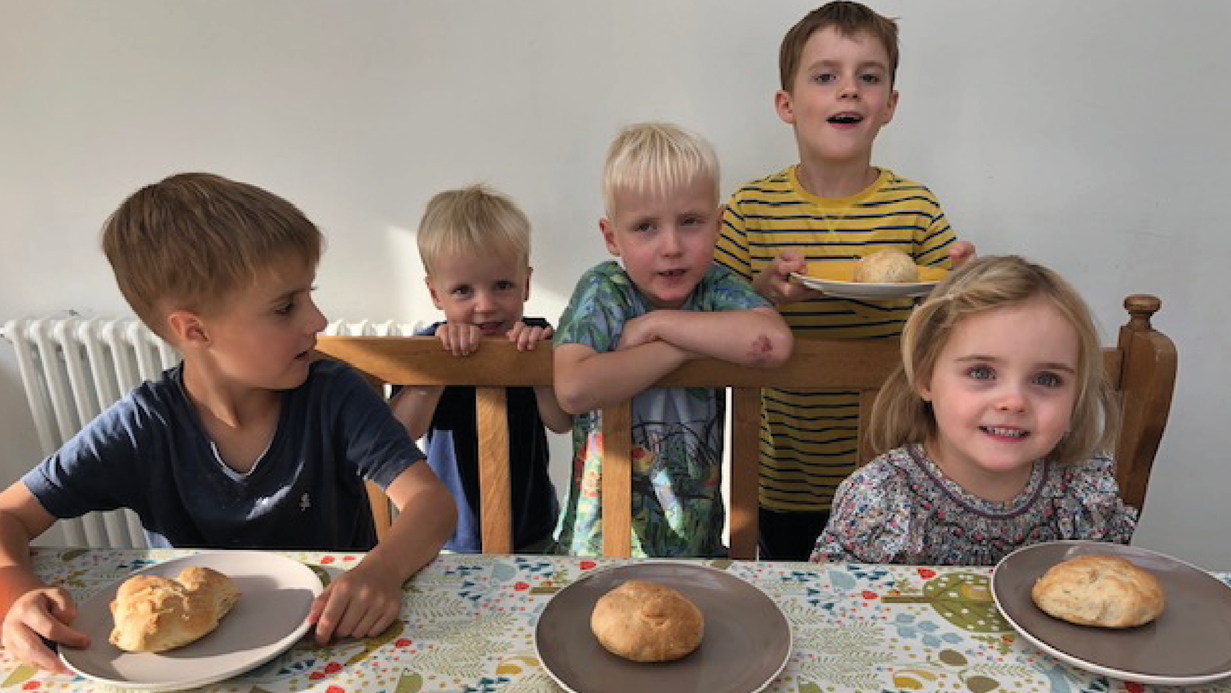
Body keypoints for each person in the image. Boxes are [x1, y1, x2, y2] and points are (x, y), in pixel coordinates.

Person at [0, 173, 456, 672]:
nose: (317, 320)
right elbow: (9, 515)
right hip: (188, 671)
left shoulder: (334, 395)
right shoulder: (142, 428)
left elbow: (430, 504)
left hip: (333, 649)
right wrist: (16, 595)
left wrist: (382, 571)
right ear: (194, 330)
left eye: (308, 295)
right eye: (286, 307)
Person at [714, 1, 976, 560]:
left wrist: (959, 281)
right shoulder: (750, 208)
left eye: (869, 77)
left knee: (884, 607)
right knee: (792, 597)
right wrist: (758, 291)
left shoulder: (914, 206)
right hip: (780, 474)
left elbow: (953, 314)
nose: (849, 90)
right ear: (787, 104)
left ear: (890, 105)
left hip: (892, 466)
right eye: (826, 76)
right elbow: (705, 307)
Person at [552, 122, 794, 557]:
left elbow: (773, 343)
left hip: (696, 546)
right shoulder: (605, 290)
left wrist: (657, 325)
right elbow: (573, 387)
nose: (671, 246)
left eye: (690, 222)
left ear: (718, 224)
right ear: (612, 237)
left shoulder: (716, 288)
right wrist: (684, 344)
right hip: (599, 546)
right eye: (645, 227)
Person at [810, 255, 1136, 565]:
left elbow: (1103, 596)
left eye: (1047, 379)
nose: (1014, 401)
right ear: (926, 377)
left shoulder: (1083, 494)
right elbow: (839, 607)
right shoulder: (880, 500)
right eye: (981, 372)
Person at [389, 184, 570, 554]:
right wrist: (434, 373)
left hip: (532, 529)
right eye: (462, 291)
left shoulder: (538, 338)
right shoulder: (425, 348)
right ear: (435, 294)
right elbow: (400, 432)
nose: (485, 306)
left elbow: (561, 421)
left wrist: (536, 366)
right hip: (448, 536)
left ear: (527, 284)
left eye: (502, 285)